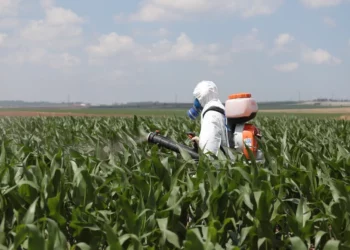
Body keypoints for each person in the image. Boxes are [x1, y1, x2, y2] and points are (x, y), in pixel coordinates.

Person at [187, 80, 232, 159]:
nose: (196, 101)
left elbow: (209, 153)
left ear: (203, 97)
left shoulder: (211, 116)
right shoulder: (218, 109)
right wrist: (200, 142)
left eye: (197, 98)